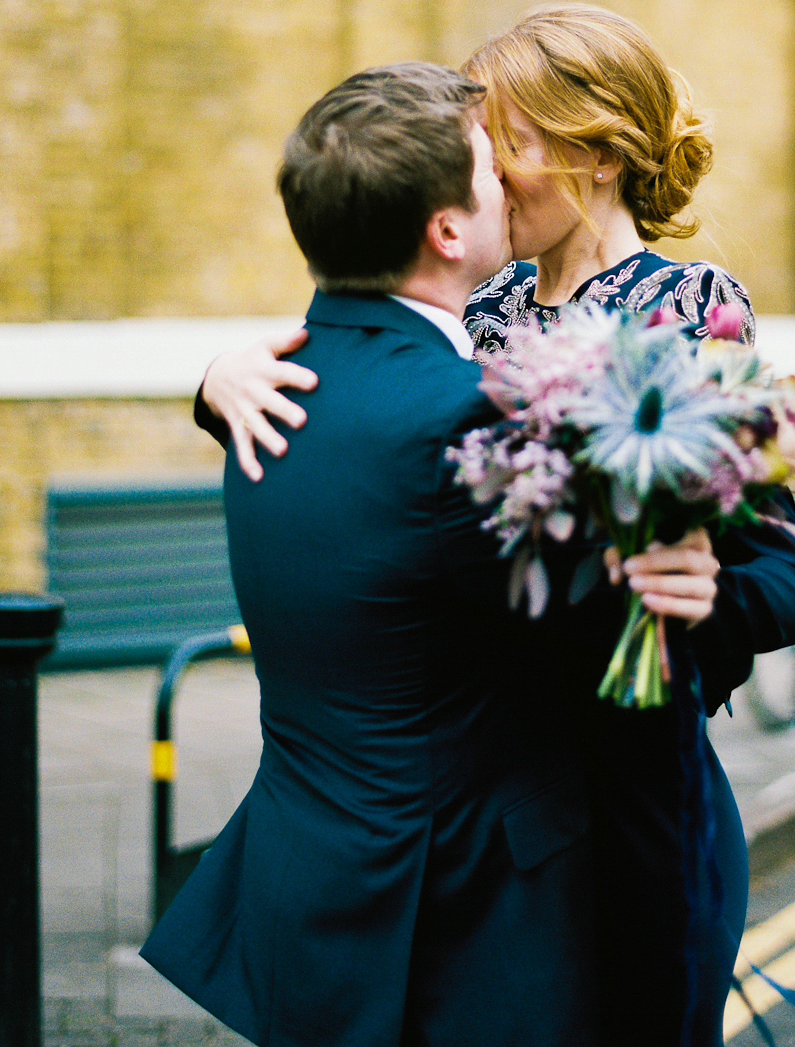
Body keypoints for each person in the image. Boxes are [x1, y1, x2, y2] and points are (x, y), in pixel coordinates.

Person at [197, 6, 795, 1047]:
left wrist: (707, 598)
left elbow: (776, 561)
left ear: (596, 150)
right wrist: (218, 382)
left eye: (506, 142)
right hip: (506, 809)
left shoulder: (690, 309)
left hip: (632, 792)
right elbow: (364, 412)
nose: (483, 167)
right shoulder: (476, 305)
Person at [143, 64, 603, 1047]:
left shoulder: (267, 382)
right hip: (445, 913)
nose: (511, 183)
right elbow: (586, 630)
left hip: (307, 884)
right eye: (488, 167)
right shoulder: (462, 414)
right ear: (445, 231)